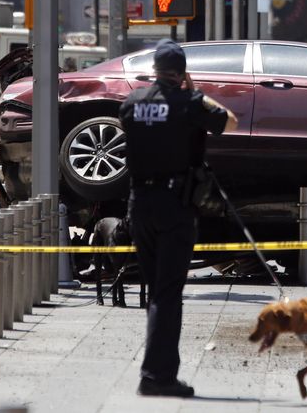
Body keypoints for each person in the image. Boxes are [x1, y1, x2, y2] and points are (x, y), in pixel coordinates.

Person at [119, 39, 238, 398]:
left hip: (140, 203)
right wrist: (197, 92)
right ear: (182, 71)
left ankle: (156, 371)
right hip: (175, 206)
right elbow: (229, 122)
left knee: (157, 291)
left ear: (155, 69)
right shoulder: (190, 104)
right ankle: (157, 376)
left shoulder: (130, 104)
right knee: (167, 294)